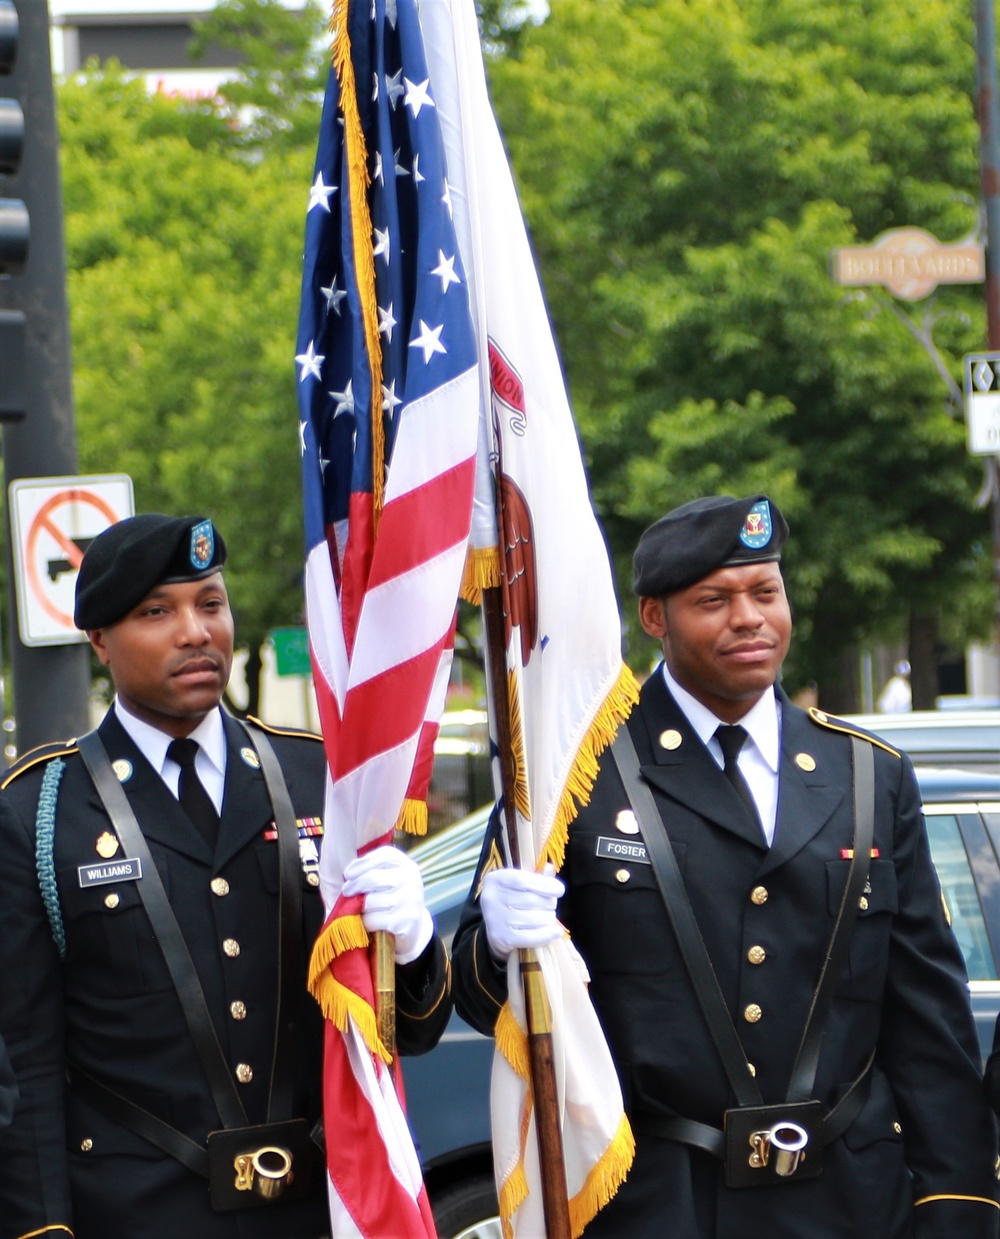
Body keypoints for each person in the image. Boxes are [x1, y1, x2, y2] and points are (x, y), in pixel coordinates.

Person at [452, 494, 998, 1238]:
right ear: (655, 617)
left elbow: (926, 1017)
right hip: (662, 1201)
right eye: (714, 600)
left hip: (855, 1201)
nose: (749, 618)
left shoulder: (867, 774)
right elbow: (486, 1001)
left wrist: (957, 1205)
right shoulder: (571, 777)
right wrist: (500, 941)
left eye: (765, 592)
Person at [0, 514, 452, 1239]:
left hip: (315, 1209)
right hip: (136, 1211)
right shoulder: (40, 810)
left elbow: (406, 1030)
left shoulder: (321, 780)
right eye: (157, 612)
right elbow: (21, 1057)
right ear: (99, 641)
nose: (195, 631)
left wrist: (415, 945)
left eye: (210, 603)